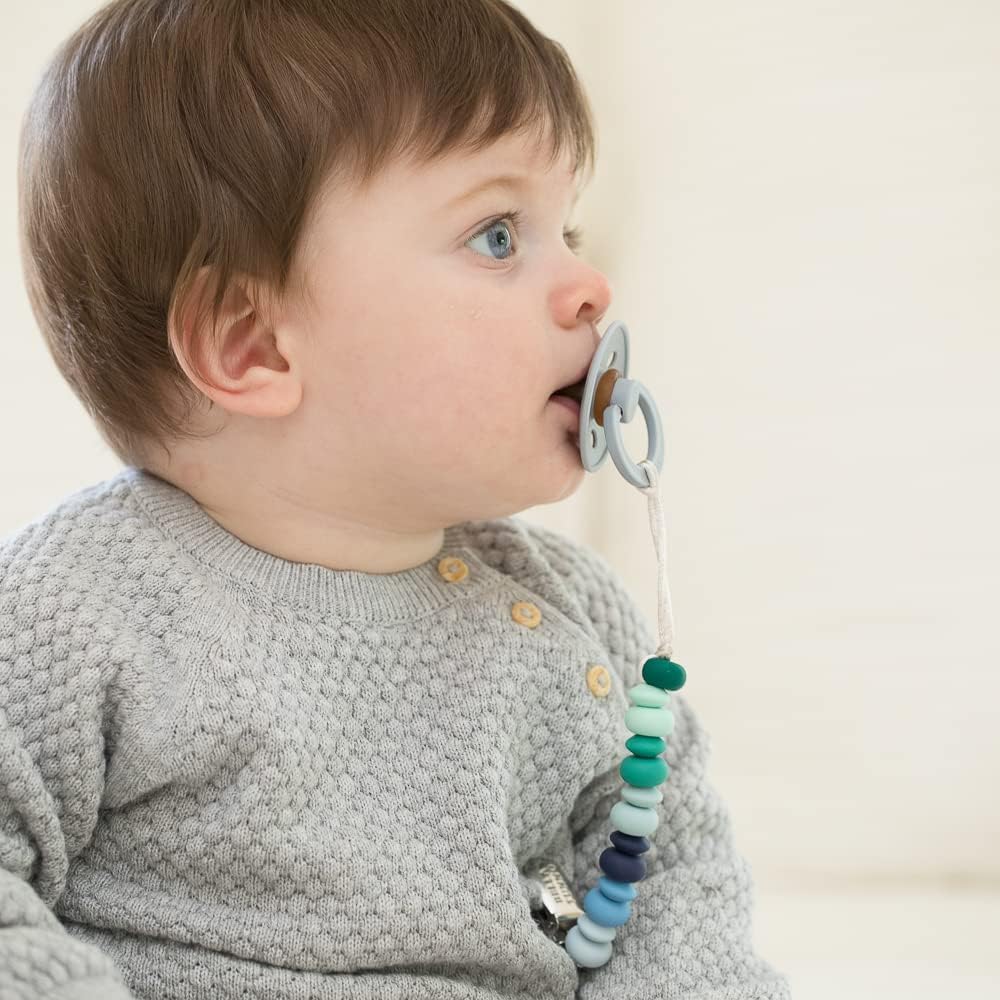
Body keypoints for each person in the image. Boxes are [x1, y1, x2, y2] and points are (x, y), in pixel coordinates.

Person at [3, 1, 791, 998]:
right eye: (497, 235)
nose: (591, 284)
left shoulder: (570, 613)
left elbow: (675, 884)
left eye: (568, 229)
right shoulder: (70, 615)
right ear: (253, 343)